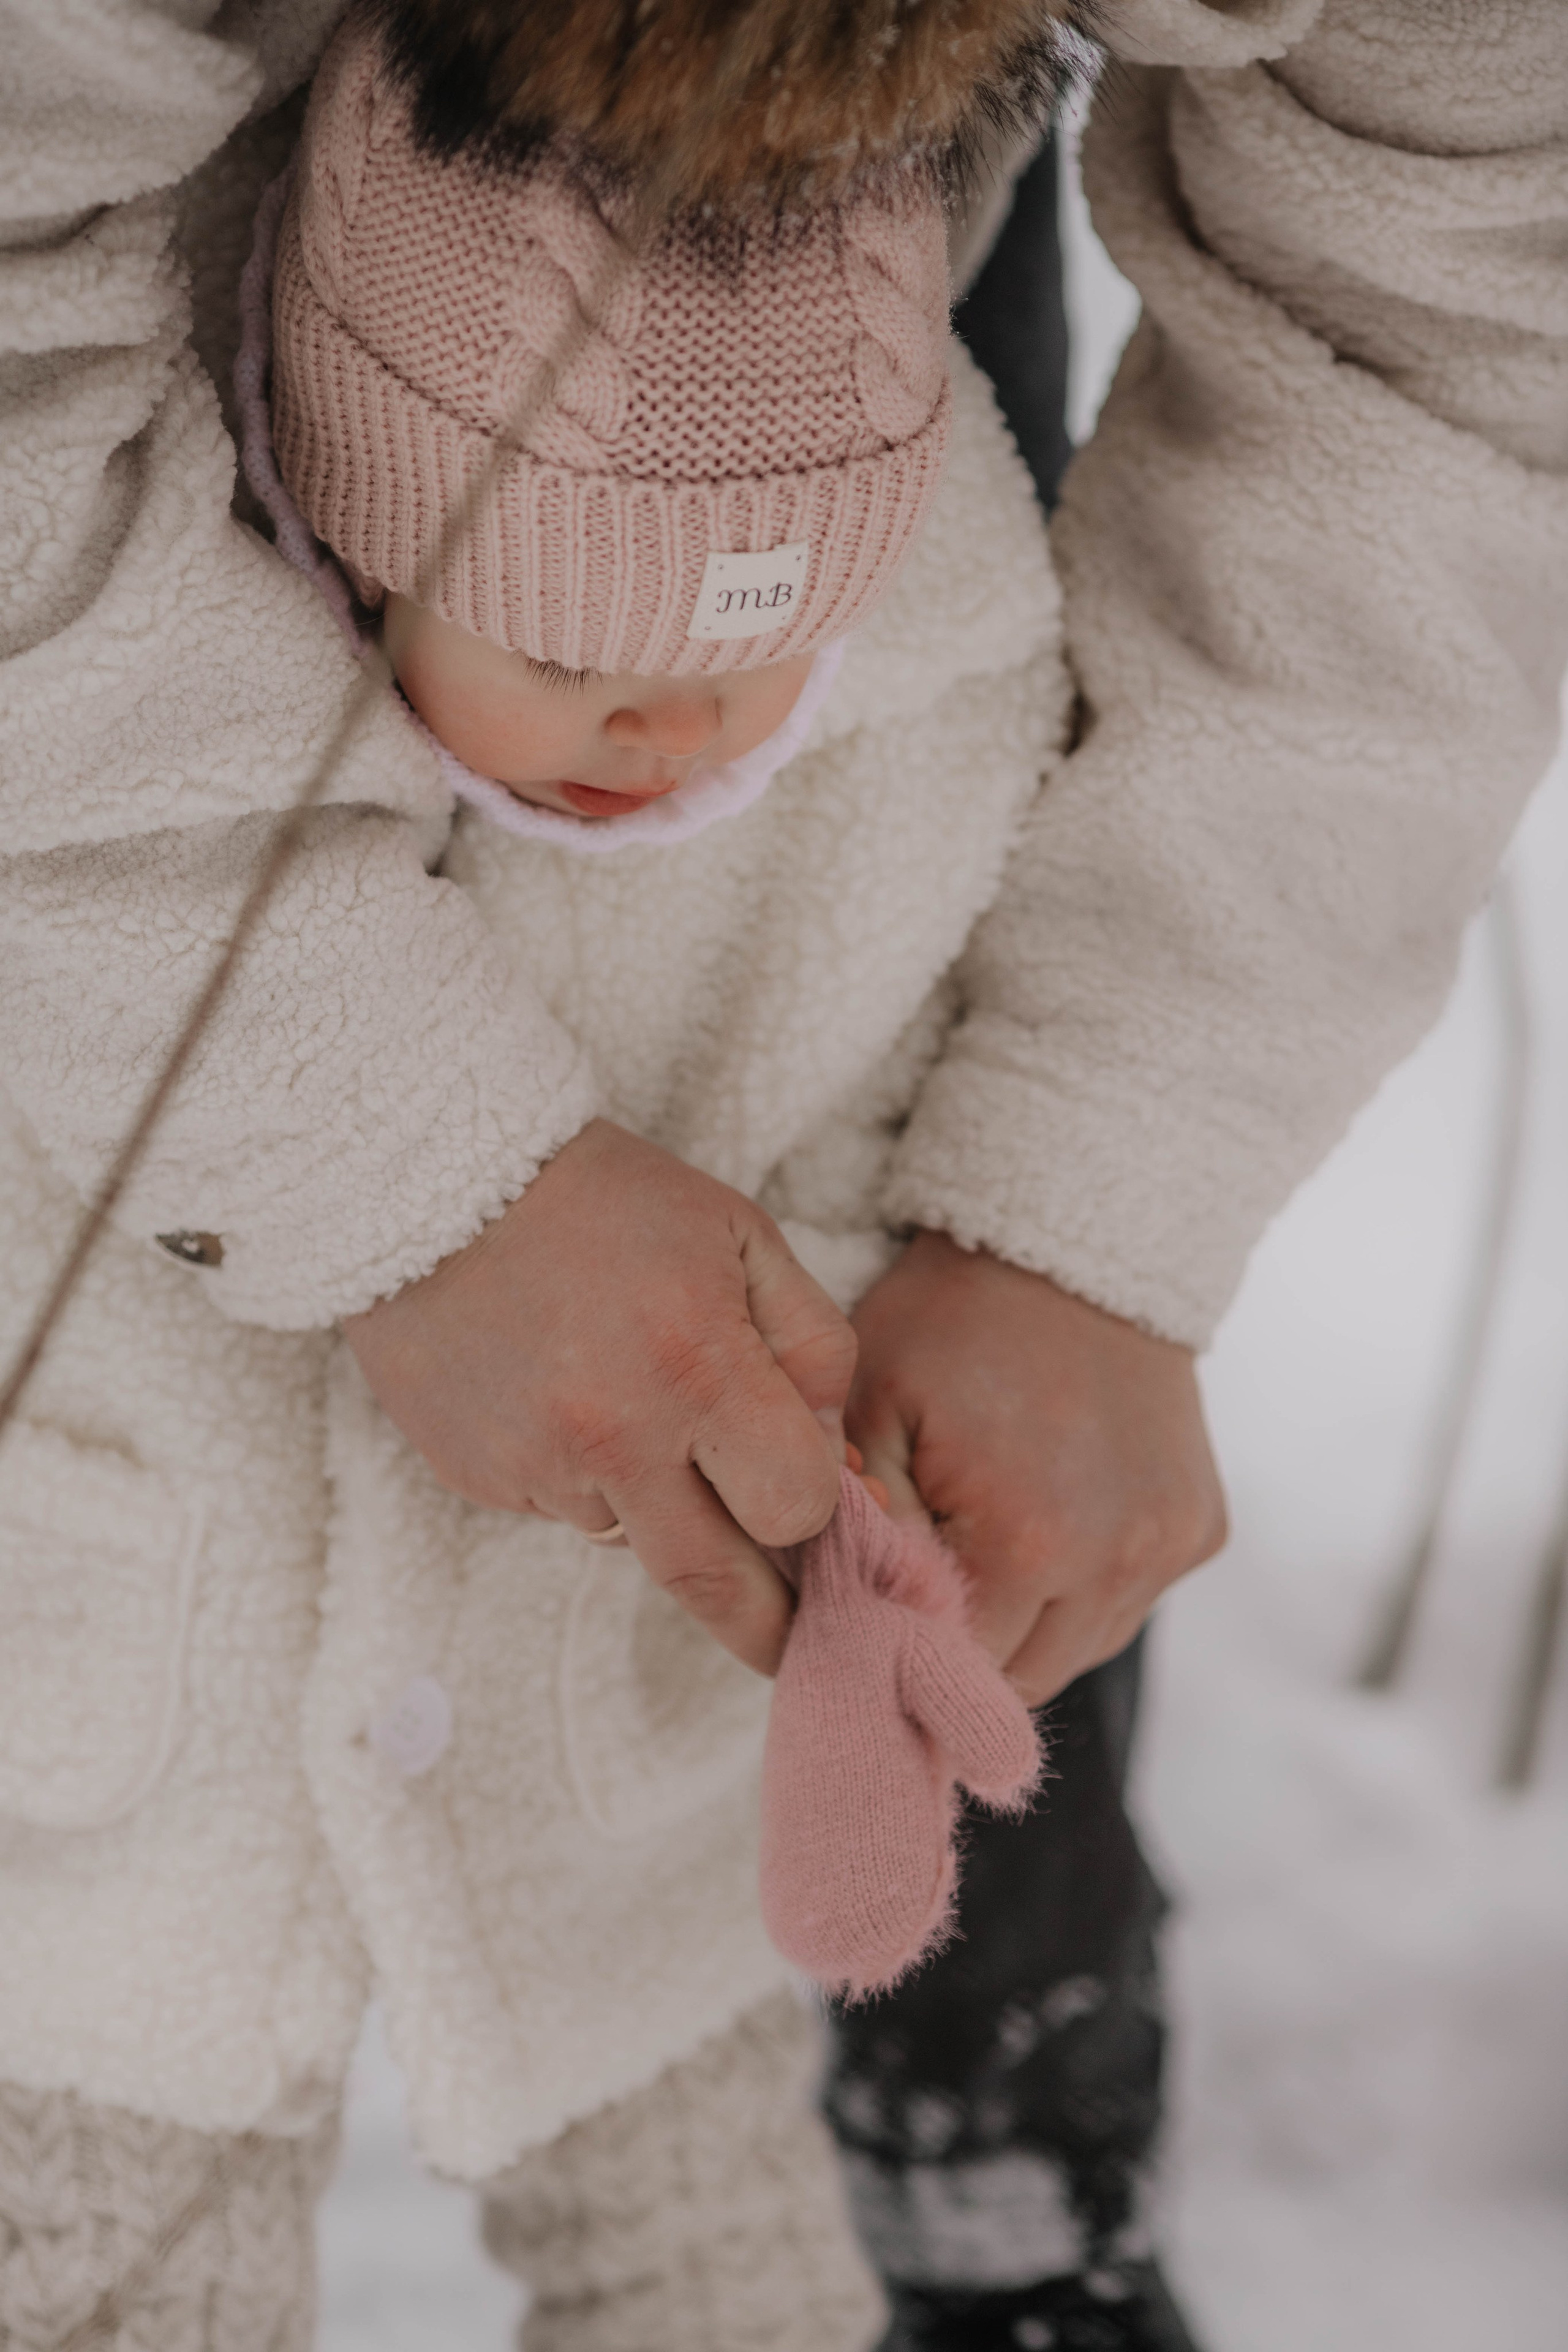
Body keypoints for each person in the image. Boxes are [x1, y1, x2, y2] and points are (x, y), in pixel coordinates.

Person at [0, 2, 1562, 2350]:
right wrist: (368, 1144)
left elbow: (1433, 325)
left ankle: (991, 2140)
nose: (670, 731)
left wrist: (1087, 1204)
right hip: (99, 1845)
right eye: (575, 658)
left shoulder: (904, 700)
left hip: (635, 1844)